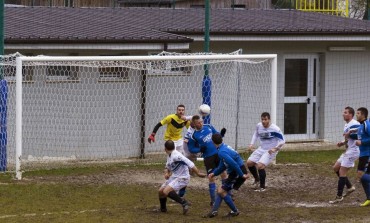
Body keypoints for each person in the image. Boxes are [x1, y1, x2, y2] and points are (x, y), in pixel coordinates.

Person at [204, 133, 249, 218]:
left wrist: (242, 175)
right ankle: (214, 211)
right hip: (237, 171)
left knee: (221, 191)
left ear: (213, 143)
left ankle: (235, 211)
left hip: (237, 172)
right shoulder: (223, 147)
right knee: (221, 190)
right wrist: (214, 173)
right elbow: (223, 165)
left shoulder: (221, 152)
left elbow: (234, 163)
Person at [187, 115, 227, 206]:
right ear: (194, 124)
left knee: (224, 174)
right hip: (208, 158)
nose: (201, 123)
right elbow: (191, 149)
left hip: (218, 153)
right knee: (211, 177)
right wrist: (200, 149)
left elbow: (217, 136)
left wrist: (222, 134)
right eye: (198, 123)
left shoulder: (208, 126)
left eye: (201, 121)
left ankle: (229, 194)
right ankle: (213, 200)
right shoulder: (193, 136)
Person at [158, 140, 206, 214]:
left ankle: (184, 203)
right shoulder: (169, 155)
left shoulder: (177, 156)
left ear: (165, 149)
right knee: (161, 191)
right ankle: (163, 209)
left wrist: (198, 173)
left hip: (183, 177)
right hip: (175, 176)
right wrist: (166, 173)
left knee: (166, 191)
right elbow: (167, 167)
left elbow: (190, 163)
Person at [246, 112, 285, 192]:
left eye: (265, 119)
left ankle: (262, 187)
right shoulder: (259, 126)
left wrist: (275, 148)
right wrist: (251, 144)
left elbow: (282, 141)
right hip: (262, 148)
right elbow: (255, 134)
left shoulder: (275, 129)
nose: (263, 121)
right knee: (249, 163)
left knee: (260, 166)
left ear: (269, 120)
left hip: (270, 151)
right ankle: (257, 179)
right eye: (262, 119)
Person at [329, 106, 360, 204]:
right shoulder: (347, 124)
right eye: (344, 112)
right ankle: (350, 187)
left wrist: (349, 135)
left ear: (351, 114)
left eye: (345, 112)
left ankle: (339, 196)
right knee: (335, 168)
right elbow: (349, 138)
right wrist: (343, 142)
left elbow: (359, 135)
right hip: (348, 150)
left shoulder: (355, 124)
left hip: (354, 151)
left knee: (342, 171)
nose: (343, 114)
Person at [354, 107, 370, 207]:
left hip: (368, 155)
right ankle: (369, 198)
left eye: (358, 113)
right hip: (363, 155)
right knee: (361, 177)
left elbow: (363, 140)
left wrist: (362, 142)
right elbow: (358, 137)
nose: (357, 115)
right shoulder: (360, 126)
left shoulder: (366, 125)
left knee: (364, 177)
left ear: (363, 115)